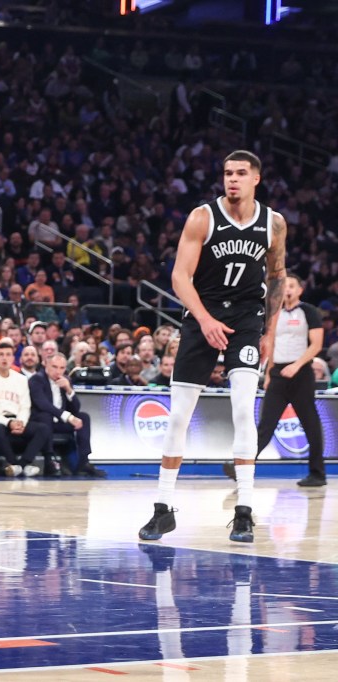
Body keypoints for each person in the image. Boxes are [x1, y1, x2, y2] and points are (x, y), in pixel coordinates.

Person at [139, 150, 286, 544]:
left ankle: (244, 512)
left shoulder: (274, 223)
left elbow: (277, 277)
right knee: (178, 416)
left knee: (242, 408)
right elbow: (179, 277)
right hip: (203, 313)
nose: (232, 179)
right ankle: (162, 508)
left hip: (245, 320)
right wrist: (204, 319)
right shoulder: (202, 216)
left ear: (257, 178)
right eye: (227, 173)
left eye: (240, 173)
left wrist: (269, 331)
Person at [223, 275, 326, 487]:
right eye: (285, 286)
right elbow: (272, 344)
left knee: (311, 424)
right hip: (278, 373)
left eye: (291, 286)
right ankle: (243, 468)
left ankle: (317, 474)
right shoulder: (274, 314)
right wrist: (269, 373)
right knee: (266, 425)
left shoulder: (309, 312)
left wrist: (297, 365)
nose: (287, 289)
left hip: (301, 373)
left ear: (300, 290)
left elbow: (316, 345)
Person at [0, 339, 52, 477]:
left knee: (43, 428)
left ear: (13, 358)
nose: (4, 358)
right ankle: (13, 463)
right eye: (1, 354)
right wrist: (8, 423)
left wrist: (20, 422)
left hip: (16, 419)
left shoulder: (21, 379)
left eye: (8, 354)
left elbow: (25, 406)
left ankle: (22, 464)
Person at [29, 352, 106, 477]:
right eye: (54, 367)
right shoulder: (36, 379)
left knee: (84, 417)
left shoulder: (65, 380)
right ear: (46, 365)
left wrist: (68, 389)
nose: (58, 371)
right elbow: (43, 405)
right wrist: (68, 417)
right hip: (41, 422)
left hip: (59, 422)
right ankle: (50, 461)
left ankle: (84, 462)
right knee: (45, 416)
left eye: (62, 368)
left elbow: (76, 408)